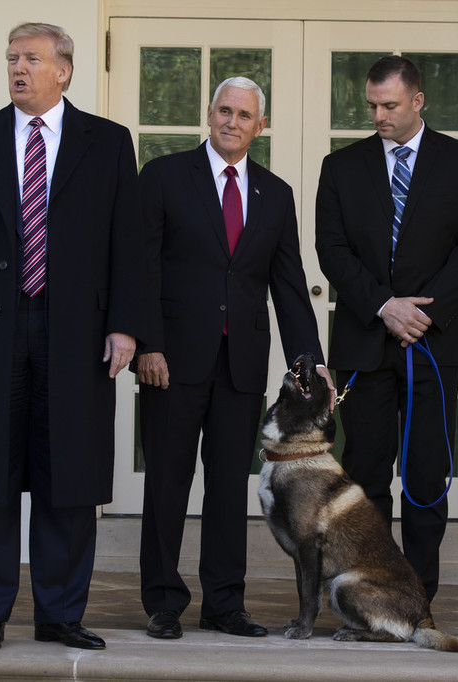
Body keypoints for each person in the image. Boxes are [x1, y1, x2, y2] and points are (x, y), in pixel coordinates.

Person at [0, 22, 144, 652]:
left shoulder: (107, 142)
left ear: (64, 70)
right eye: (12, 58)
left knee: (67, 474)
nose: (18, 68)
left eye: (32, 58)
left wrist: (126, 325)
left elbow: (128, 243)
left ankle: (61, 614)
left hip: (78, 332)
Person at [136, 77, 332, 640]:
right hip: (170, 361)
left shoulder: (275, 193)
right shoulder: (166, 176)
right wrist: (147, 343)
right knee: (168, 482)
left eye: (244, 115)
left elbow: (289, 287)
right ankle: (163, 602)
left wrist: (308, 361)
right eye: (224, 111)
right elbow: (142, 268)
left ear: (259, 126)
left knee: (227, 488)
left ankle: (224, 603)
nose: (232, 122)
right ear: (209, 113)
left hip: (241, 363)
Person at [314, 56, 458, 602]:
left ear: (418, 100)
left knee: (425, 477)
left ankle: (417, 599)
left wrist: (423, 314)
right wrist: (384, 306)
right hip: (364, 345)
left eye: (389, 105)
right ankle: (369, 595)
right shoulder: (341, 166)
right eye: (372, 105)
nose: (378, 115)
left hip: (433, 347)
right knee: (365, 479)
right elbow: (332, 250)